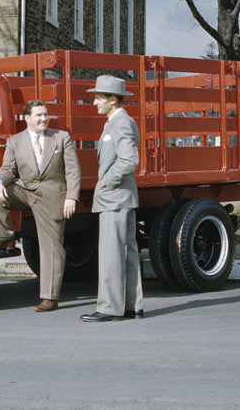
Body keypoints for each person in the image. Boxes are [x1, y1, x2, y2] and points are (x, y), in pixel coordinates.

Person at [0, 99, 81, 312]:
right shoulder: (15, 142)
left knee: (52, 248)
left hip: (52, 196)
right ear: (27, 119)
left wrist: (71, 197)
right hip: (26, 191)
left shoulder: (61, 138)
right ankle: (4, 238)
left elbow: (73, 170)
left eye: (45, 115)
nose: (44, 118)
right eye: (39, 115)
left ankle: (49, 297)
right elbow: (8, 169)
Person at [80, 75, 144, 322]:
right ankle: (131, 305)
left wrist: (107, 181)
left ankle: (109, 308)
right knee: (126, 251)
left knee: (111, 253)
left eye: (98, 97)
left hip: (114, 197)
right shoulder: (115, 122)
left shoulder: (121, 123)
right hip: (120, 197)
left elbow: (129, 160)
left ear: (113, 100)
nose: (95, 102)